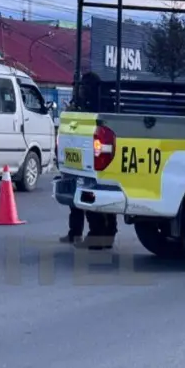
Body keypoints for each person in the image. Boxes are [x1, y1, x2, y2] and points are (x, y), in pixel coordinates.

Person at [59, 71, 118, 250]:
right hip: (81, 156)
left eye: (83, 87)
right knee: (82, 196)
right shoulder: (91, 104)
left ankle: (98, 236)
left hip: (92, 157)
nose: (80, 91)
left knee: (92, 197)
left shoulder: (95, 106)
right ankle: (88, 234)